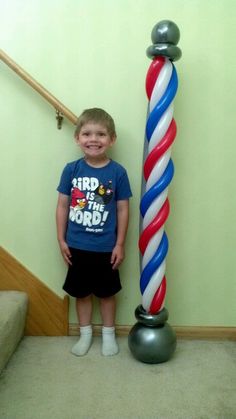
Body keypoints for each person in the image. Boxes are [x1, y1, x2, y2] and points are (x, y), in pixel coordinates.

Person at [56, 108, 132, 357]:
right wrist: (61, 239)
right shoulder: (71, 170)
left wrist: (120, 244)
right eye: (87, 133)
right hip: (76, 245)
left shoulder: (118, 172)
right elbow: (62, 206)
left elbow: (122, 209)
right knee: (82, 293)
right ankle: (85, 334)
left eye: (101, 134)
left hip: (106, 247)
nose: (94, 139)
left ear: (112, 139)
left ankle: (109, 334)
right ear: (77, 138)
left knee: (107, 294)